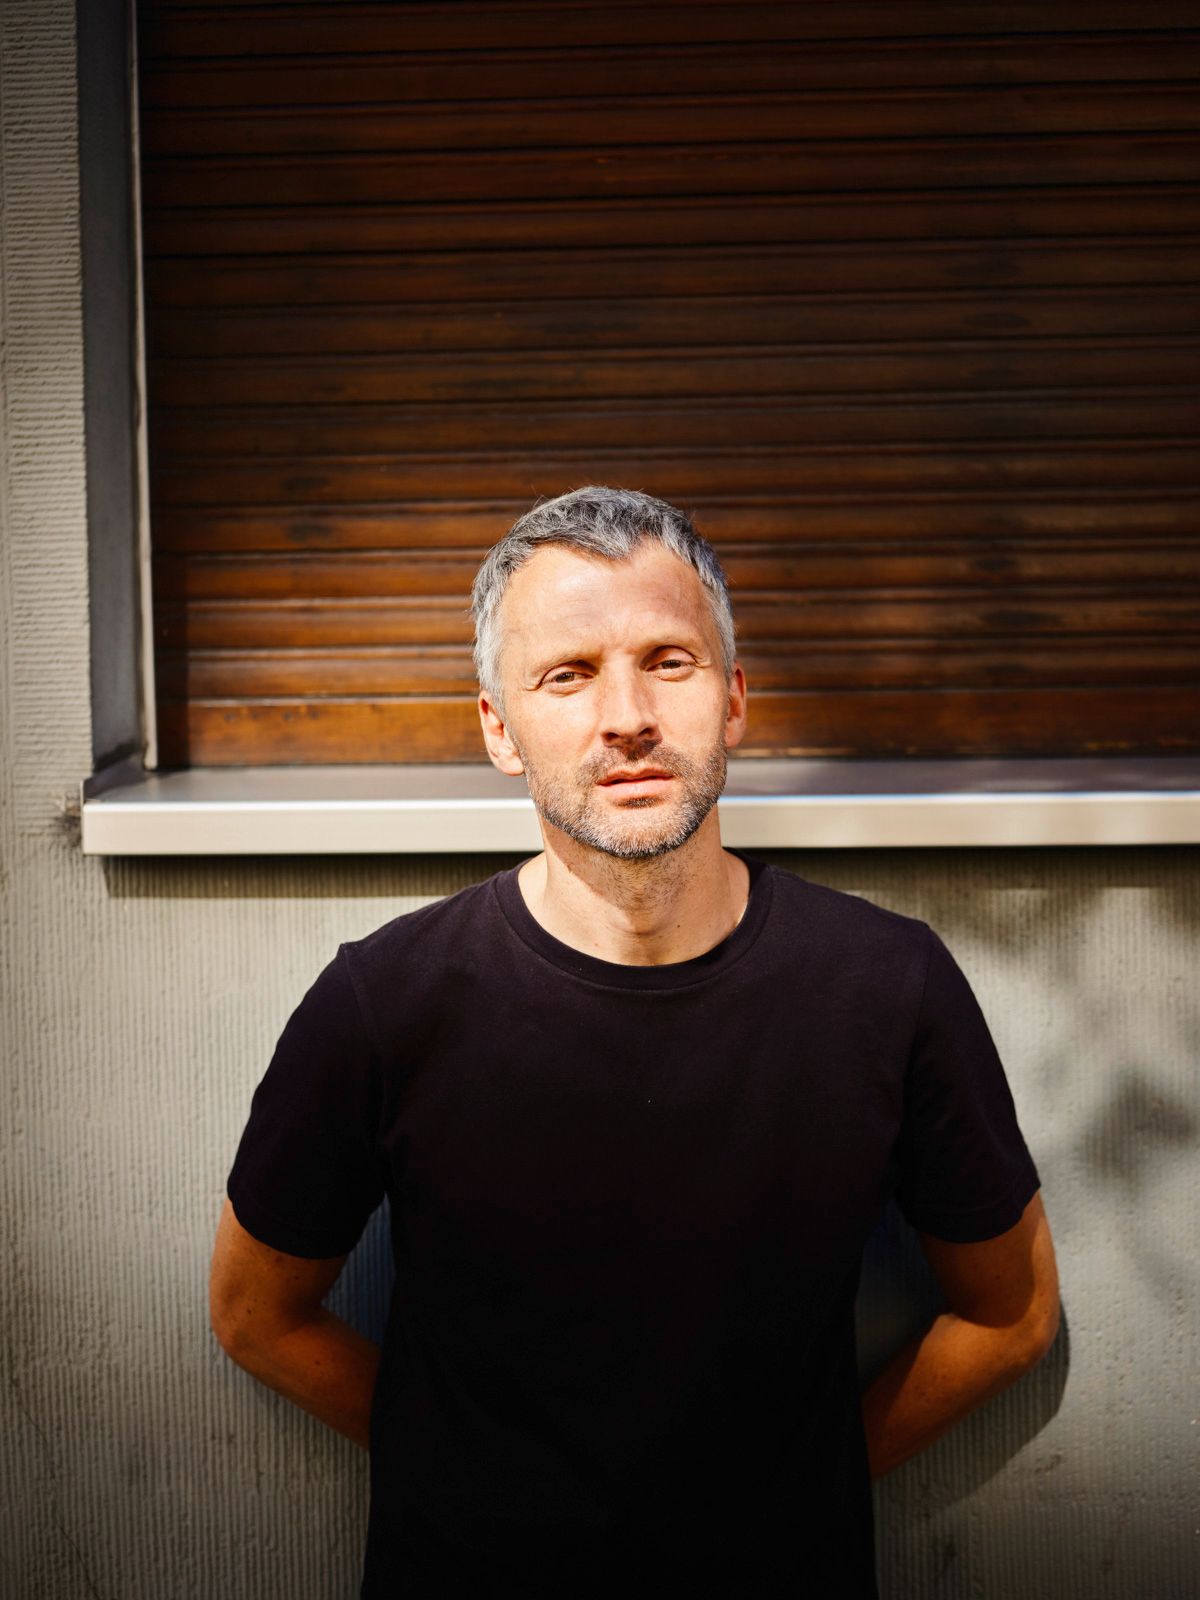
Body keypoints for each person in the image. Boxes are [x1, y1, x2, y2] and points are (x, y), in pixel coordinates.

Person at [210, 486, 1060, 1597]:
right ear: (499, 729)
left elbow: (1011, 1312)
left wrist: (799, 1494)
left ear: (733, 698)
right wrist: (466, 1481)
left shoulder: (888, 987)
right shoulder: (384, 1003)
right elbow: (254, 1315)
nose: (627, 716)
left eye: (669, 660)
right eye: (568, 674)